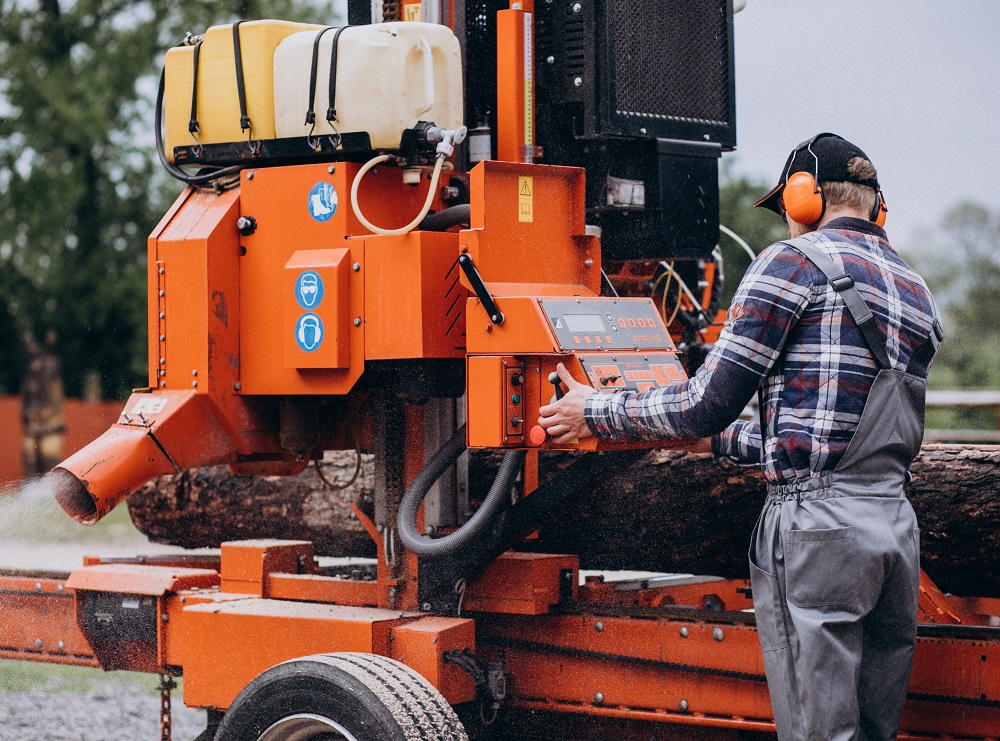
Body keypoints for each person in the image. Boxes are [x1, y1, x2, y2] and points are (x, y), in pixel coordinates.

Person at [537, 133, 942, 741]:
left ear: (804, 196)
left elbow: (704, 404)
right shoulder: (915, 288)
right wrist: (721, 442)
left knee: (817, 731)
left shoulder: (792, 263)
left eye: (786, 209)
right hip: (894, 528)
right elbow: (840, 440)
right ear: (876, 206)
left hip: (818, 531)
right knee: (871, 730)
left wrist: (594, 410)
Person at [21, 329, 66, 477]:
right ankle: (32, 486)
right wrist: (29, 416)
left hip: (51, 426)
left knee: (49, 456)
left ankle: (51, 484)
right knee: (29, 456)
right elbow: (25, 405)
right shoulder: (30, 380)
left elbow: (55, 403)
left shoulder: (51, 376)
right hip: (34, 426)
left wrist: (45, 416)